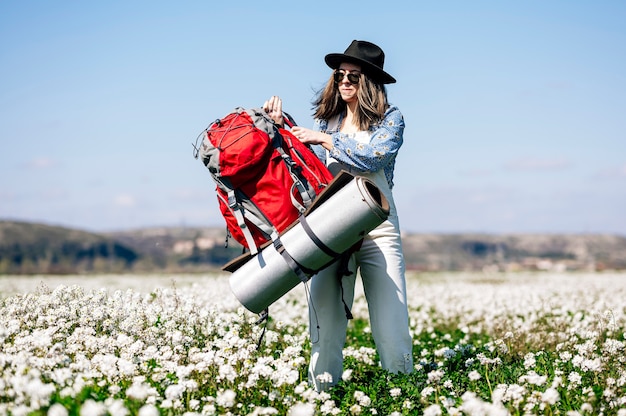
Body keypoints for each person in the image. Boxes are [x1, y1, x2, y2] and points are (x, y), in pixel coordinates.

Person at [263, 39, 413, 391]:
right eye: (340, 74)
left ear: (370, 83)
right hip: (330, 228)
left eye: (354, 77)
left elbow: (374, 156)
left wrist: (326, 140)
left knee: (392, 322)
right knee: (324, 324)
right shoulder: (325, 120)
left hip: (378, 229)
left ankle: (404, 395)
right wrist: (280, 126)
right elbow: (302, 164)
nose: (345, 81)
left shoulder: (391, 119)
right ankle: (323, 397)